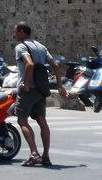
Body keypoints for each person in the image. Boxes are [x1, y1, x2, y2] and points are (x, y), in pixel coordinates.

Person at [13, 22, 68, 167]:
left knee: (22, 121)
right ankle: (46, 156)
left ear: (21, 31)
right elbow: (55, 65)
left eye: (15, 31)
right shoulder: (41, 47)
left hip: (28, 90)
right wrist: (60, 86)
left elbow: (29, 64)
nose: (14, 34)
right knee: (42, 121)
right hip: (41, 89)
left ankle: (34, 154)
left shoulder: (21, 47)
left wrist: (25, 83)